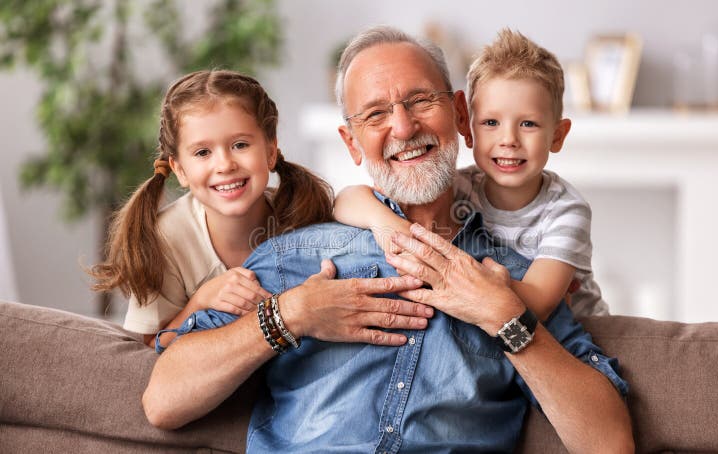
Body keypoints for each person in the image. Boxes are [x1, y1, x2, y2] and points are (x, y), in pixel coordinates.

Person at [143, 27, 634, 453]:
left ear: (460, 114)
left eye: (421, 101)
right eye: (375, 114)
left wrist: (503, 316)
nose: (403, 126)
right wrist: (291, 314)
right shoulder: (294, 253)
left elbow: (610, 443)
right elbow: (163, 401)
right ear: (351, 143)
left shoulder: (514, 275)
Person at [90, 70, 428, 349]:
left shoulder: (298, 209)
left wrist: (383, 221)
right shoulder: (167, 237)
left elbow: (348, 200)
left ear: (270, 150)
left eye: (240, 145)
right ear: (179, 168)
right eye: (202, 153)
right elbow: (149, 348)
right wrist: (202, 301)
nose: (224, 164)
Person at [333, 28, 607, 321]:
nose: (509, 140)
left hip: (585, 333)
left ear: (557, 136)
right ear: (469, 125)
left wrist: (451, 278)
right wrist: (384, 223)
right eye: (491, 122)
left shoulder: (565, 212)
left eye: (528, 124)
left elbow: (537, 306)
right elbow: (346, 200)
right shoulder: (463, 186)